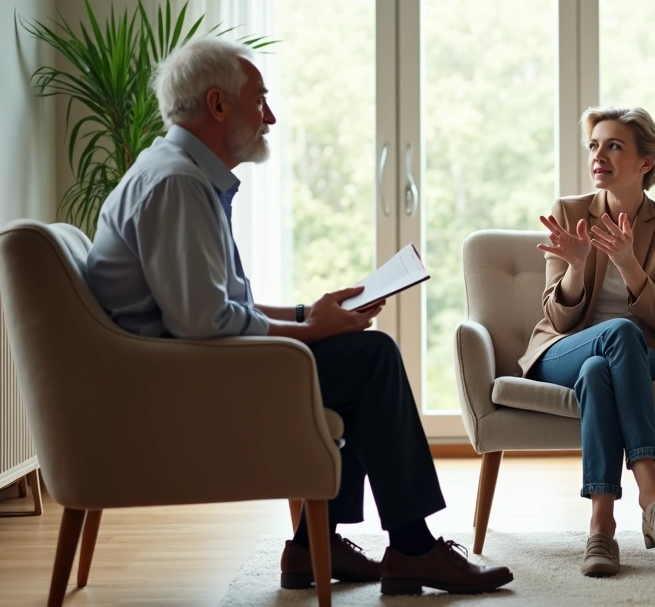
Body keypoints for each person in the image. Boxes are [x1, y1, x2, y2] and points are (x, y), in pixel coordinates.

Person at [84, 36, 513, 596]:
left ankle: (315, 546)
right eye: (259, 99)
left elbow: (216, 304)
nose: (271, 116)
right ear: (218, 104)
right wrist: (312, 330)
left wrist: (310, 312)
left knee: (355, 358)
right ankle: (411, 549)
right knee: (371, 358)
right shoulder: (178, 185)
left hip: (180, 369)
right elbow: (203, 323)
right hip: (182, 387)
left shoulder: (175, 172)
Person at [519, 107, 655, 577]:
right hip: (564, 348)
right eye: (594, 146)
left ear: (645, 162)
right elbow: (556, 317)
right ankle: (651, 493)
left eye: (614, 146)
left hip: (643, 356)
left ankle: (601, 528)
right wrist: (576, 267)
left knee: (601, 369)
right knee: (616, 334)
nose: (599, 156)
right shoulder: (570, 212)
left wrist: (628, 264)